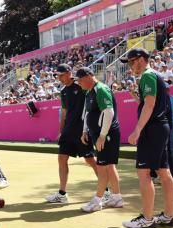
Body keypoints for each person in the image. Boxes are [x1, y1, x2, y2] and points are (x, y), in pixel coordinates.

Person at [121, 48, 173, 228]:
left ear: (142, 60)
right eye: (129, 62)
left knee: (144, 172)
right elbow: (151, 104)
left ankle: (147, 219)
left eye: (132, 61)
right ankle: (169, 216)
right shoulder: (153, 76)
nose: (131, 66)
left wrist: (137, 130)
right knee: (163, 171)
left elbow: (151, 105)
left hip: (152, 129)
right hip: (160, 128)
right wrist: (138, 98)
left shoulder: (147, 76)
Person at [45, 64, 99, 204]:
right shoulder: (63, 91)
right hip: (68, 131)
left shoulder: (81, 85)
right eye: (58, 75)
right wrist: (61, 132)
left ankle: (105, 191)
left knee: (90, 159)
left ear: (69, 73)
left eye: (62, 75)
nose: (59, 78)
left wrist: (88, 129)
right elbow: (64, 113)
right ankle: (62, 194)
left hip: (82, 130)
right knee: (62, 158)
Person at [76, 67, 124, 213]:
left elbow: (109, 112)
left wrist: (102, 136)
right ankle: (117, 198)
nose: (79, 83)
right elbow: (88, 112)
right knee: (109, 166)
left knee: (102, 167)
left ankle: (97, 200)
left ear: (89, 77)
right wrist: (85, 131)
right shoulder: (89, 92)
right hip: (99, 134)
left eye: (80, 80)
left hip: (107, 134)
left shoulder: (101, 89)